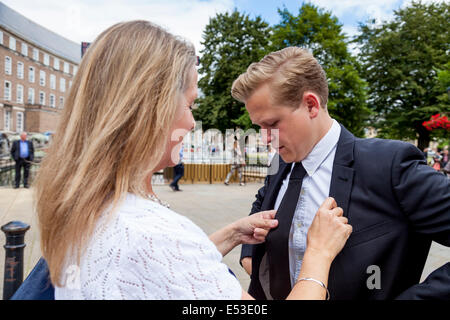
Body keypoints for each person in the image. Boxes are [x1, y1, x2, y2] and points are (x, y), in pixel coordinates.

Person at [34, 21, 351, 300]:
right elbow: (163, 255)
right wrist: (318, 256)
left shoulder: (85, 206)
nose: (189, 122)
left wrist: (228, 235)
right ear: (150, 109)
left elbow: (156, 274)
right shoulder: (156, 233)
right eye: (188, 104)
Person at [231, 47, 450, 300]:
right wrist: (249, 252)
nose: (265, 138)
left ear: (311, 105)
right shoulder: (279, 163)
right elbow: (262, 202)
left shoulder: (390, 165)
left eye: (271, 124)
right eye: (259, 127)